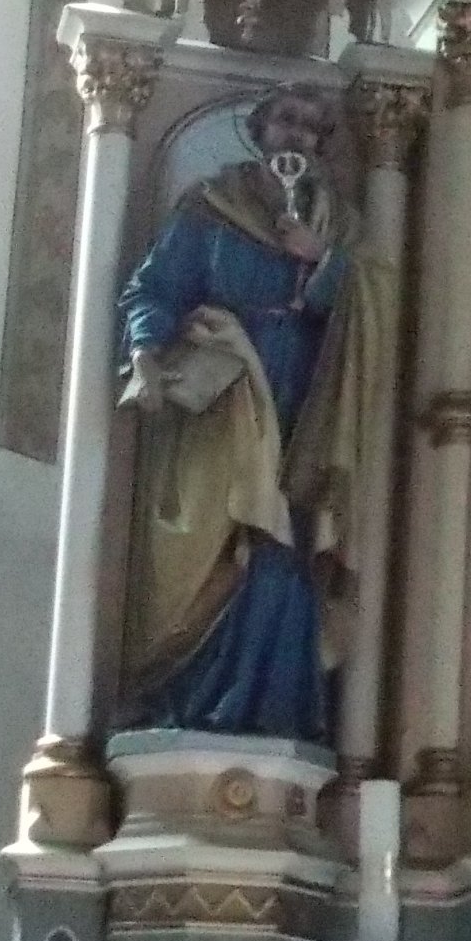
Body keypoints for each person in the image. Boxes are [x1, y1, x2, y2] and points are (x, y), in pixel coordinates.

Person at [117, 85, 390, 744]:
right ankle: (189, 701)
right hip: (222, 395)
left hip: (307, 400)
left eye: (312, 127)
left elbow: (379, 305)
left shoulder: (337, 223)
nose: (298, 135)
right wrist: (147, 350)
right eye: (286, 121)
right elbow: (153, 289)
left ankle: (273, 713)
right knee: (216, 538)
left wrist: (320, 261)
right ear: (261, 130)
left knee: (285, 549)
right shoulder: (211, 206)